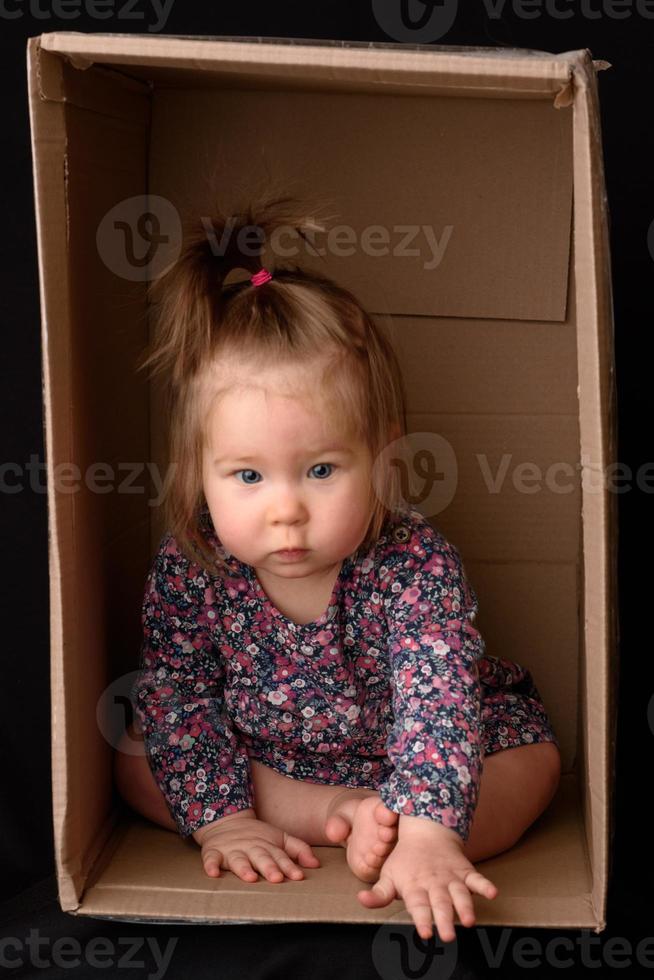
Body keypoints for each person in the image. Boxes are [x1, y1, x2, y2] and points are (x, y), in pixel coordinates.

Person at [114, 194, 561, 944]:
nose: (286, 511)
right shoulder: (191, 566)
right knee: (134, 762)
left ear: (383, 459)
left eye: (320, 470)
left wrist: (429, 825)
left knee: (534, 762)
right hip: (267, 768)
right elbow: (182, 696)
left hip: (420, 756)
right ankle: (332, 818)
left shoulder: (413, 563)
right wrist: (221, 821)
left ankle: (403, 841)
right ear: (198, 474)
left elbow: (437, 703)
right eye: (248, 478)